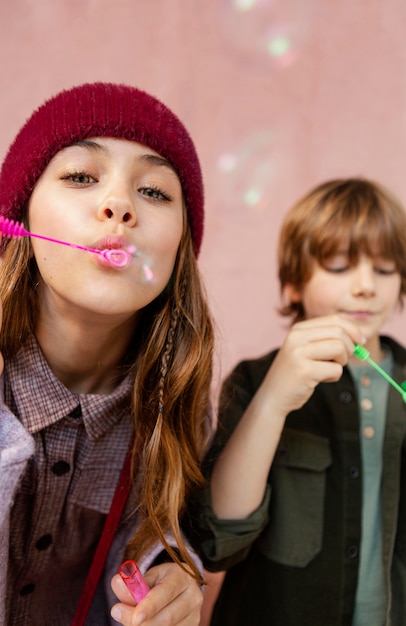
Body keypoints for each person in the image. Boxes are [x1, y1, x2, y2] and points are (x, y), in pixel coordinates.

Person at [0, 82, 214, 625]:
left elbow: (159, 534)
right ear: (18, 219)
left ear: (180, 254)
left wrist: (173, 574)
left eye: (156, 193)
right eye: (80, 177)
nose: (118, 205)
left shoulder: (175, 405)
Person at [193, 178, 406, 625]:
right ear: (294, 285)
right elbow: (218, 537)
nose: (365, 286)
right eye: (338, 266)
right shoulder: (257, 381)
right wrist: (273, 400)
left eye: (385, 269)